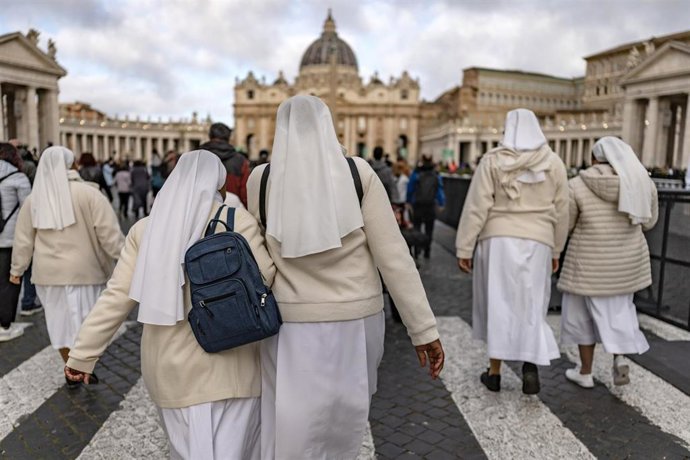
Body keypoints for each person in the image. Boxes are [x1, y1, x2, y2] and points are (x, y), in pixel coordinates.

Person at [247, 95, 444, 459]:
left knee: (291, 417)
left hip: (290, 321)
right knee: (345, 419)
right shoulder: (358, 172)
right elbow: (394, 256)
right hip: (356, 320)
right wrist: (423, 329)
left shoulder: (261, 178)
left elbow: (258, 257)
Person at [64, 150, 275, 459]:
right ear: (219, 186)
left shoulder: (144, 229)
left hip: (170, 370)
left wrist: (82, 354)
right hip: (233, 363)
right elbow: (266, 277)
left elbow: (116, 297)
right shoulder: (235, 220)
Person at [456, 108, 569, 394]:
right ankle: (529, 365)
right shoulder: (553, 163)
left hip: (498, 240)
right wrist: (557, 249)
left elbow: (476, 206)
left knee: (498, 304)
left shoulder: (492, 160)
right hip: (539, 240)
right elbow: (562, 209)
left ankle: (494, 372)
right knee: (532, 304)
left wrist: (464, 247)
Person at [10, 146, 124, 376]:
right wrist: (126, 258)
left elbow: (23, 240)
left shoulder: (34, 200)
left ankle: (70, 366)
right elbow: (110, 235)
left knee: (59, 325)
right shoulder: (90, 194)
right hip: (86, 271)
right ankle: (83, 366)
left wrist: (17, 270)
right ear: (72, 164)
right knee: (89, 324)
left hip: (49, 275)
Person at [558, 137, 658, 388]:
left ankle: (586, 372)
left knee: (582, 317)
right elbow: (649, 222)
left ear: (593, 159)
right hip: (626, 263)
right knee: (620, 312)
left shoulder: (577, 184)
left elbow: (567, 224)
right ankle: (619, 356)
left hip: (588, 263)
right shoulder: (642, 183)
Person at [0, 143, 32, 341]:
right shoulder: (18, 178)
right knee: (10, 282)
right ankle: (4, 325)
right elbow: (28, 211)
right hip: (9, 239)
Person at [200, 122, 250, 207]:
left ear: (210, 136)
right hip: (231, 213)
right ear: (229, 138)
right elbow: (245, 194)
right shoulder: (240, 160)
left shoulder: (197, 157)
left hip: (200, 211)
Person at [406, 155, 445, 259]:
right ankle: (427, 250)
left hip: (418, 204)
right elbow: (439, 190)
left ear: (422, 161)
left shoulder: (416, 173)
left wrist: (408, 201)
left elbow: (410, 188)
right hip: (430, 204)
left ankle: (417, 250)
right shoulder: (436, 174)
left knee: (417, 227)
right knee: (429, 229)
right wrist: (441, 203)